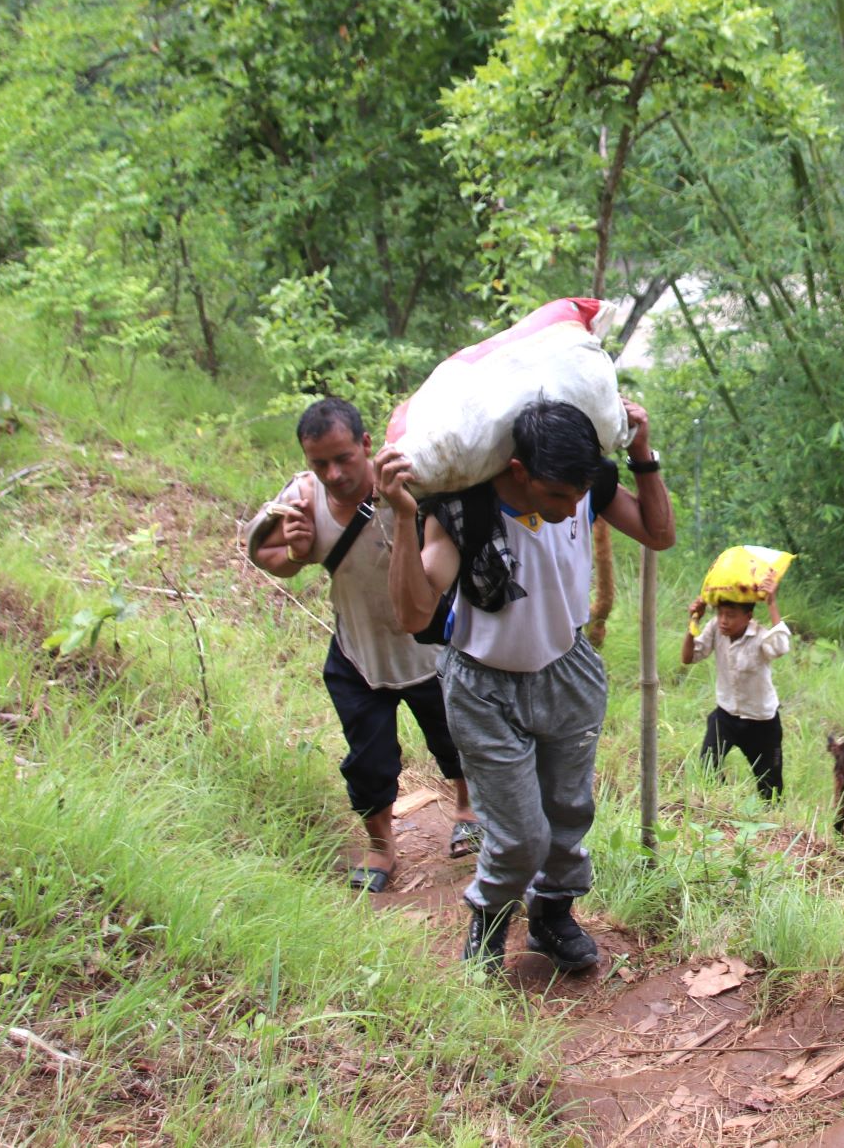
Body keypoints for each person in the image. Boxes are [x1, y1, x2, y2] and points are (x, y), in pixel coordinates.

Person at [380, 398, 674, 974]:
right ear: (519, 473)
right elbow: (415, 615)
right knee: (518, 834)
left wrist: (642, 454)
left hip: (567, 669)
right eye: (557, 497)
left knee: (569, 812)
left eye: (577, 497)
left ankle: (552, 916)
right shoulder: (463, 512)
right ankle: (489, 919)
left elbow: (658, 534)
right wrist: (399, 516)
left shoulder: (585, 488)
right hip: (483, 688)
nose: (572, 512)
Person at [247, 397, 477, 895]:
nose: (332, 474)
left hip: (430, 649)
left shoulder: (411, 480)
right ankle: (380, 846)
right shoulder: (303, 497)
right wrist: (295, 548)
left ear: (366, 444)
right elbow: (267, 557)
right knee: (368, 759)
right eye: (319, 463)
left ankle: (467, 809)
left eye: (343, 458)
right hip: (358, 654)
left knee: (454, 737)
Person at [683, 572, 791, 799]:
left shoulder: (760, 636)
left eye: (731, 615)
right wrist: (694, 620)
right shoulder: (715, 629)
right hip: (726, 715)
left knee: (770, 787)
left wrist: (772, 604)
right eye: (720, 614)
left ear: (748, 616)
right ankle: (721, 804)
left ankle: (768, 821)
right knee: (708, 765)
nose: (723, 620)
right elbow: (689, 656)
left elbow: (781, 647)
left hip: (761, 721)